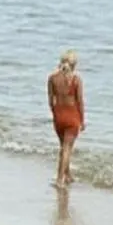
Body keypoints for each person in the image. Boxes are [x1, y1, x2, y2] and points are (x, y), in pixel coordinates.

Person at [47, 50, 84, 189]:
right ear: (74, 65)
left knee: (63, 147)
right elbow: (80, 101)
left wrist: (55, 114)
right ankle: (60, 179)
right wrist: (82, 119)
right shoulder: (76, 80)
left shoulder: (52, 78)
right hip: (72, 116)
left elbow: (51, 101)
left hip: (59, 115)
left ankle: (67, 175)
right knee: (67, 149)